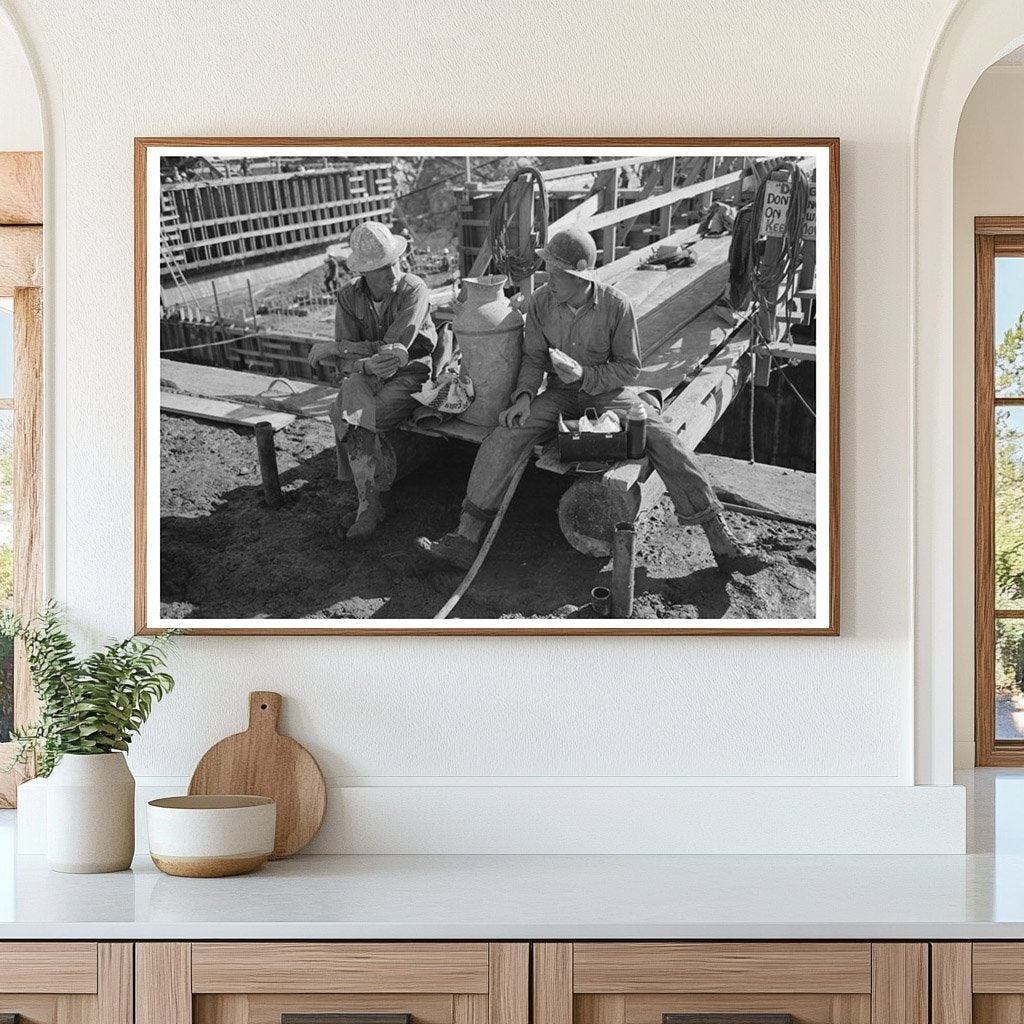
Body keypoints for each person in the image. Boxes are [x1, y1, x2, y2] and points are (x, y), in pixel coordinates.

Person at [414, 226, 763, 573]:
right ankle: (465, 538)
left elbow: (629, 369)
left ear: (580, 276)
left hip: (608, 393)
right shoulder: (541, 303)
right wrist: (522, 397)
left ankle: (719, 536)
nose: (547, 279)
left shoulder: (616, 305)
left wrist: (586, 376)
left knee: (662, 437)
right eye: (547, 270)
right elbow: (534, 358)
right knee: (505, 434)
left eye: (556, 273)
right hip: (560, 395)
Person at [307, 221, 436, 541]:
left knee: (346, 414)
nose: (393, 271)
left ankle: (369, 503)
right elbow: (351, 365)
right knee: (350, 394)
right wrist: (357, 359)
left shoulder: (414, 289)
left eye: (394, 262)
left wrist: (338, 349)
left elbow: (395, 349)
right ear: (365, 271)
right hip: (366, 374)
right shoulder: (348, 296)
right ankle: (370, 504)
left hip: (411, 374)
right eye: (382, 267)